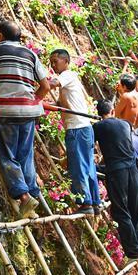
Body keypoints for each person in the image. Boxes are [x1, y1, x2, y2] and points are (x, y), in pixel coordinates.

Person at [0, 21, 51, 219]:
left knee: (7, 154)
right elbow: (45, 86)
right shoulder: (31, 54)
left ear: (0, 35)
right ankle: (32, 193)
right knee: (25, 154)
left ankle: (23, 195)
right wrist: (34, 100)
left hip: (7, 112)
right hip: (29, 112)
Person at [48, 49, 100, 215]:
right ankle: (94, 201)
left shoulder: (67, 75)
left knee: (78, 166)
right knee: (87, 165)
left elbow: (53, 83)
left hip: (77, 128)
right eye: (51, 61)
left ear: (66, 61)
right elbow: (60, 103)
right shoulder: (69, 81)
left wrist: (38, 84)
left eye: (56, 61)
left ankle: (85, 202)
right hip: (83, 127)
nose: (53, 64)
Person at [93, 100, 138, 260]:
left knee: (121, 211)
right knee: (134, 209)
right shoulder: (126, 124)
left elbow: (90, 145)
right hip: (132, 169)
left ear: (99, 113)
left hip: (117, 171)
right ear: (113, 111)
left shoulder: (98, 127)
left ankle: (134, 252)